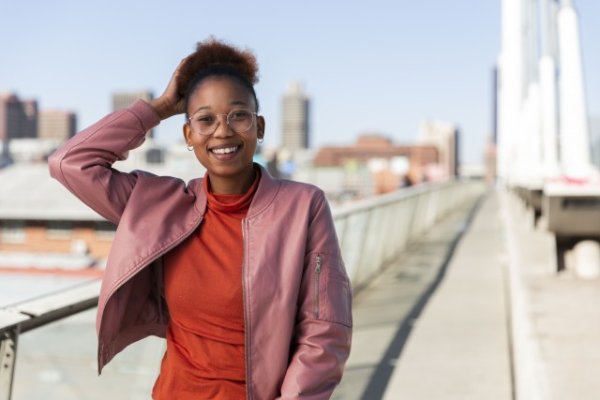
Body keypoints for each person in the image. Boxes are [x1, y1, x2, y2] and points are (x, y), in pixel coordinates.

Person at [48, 38, 352, 399]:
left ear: (260, 126)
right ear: (188, 135)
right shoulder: (158, 205)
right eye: (205, 120)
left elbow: (324, 330)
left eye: (238, 115)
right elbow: (69, 163)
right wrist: (158, 108)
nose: (223, 131)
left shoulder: (302, 207)